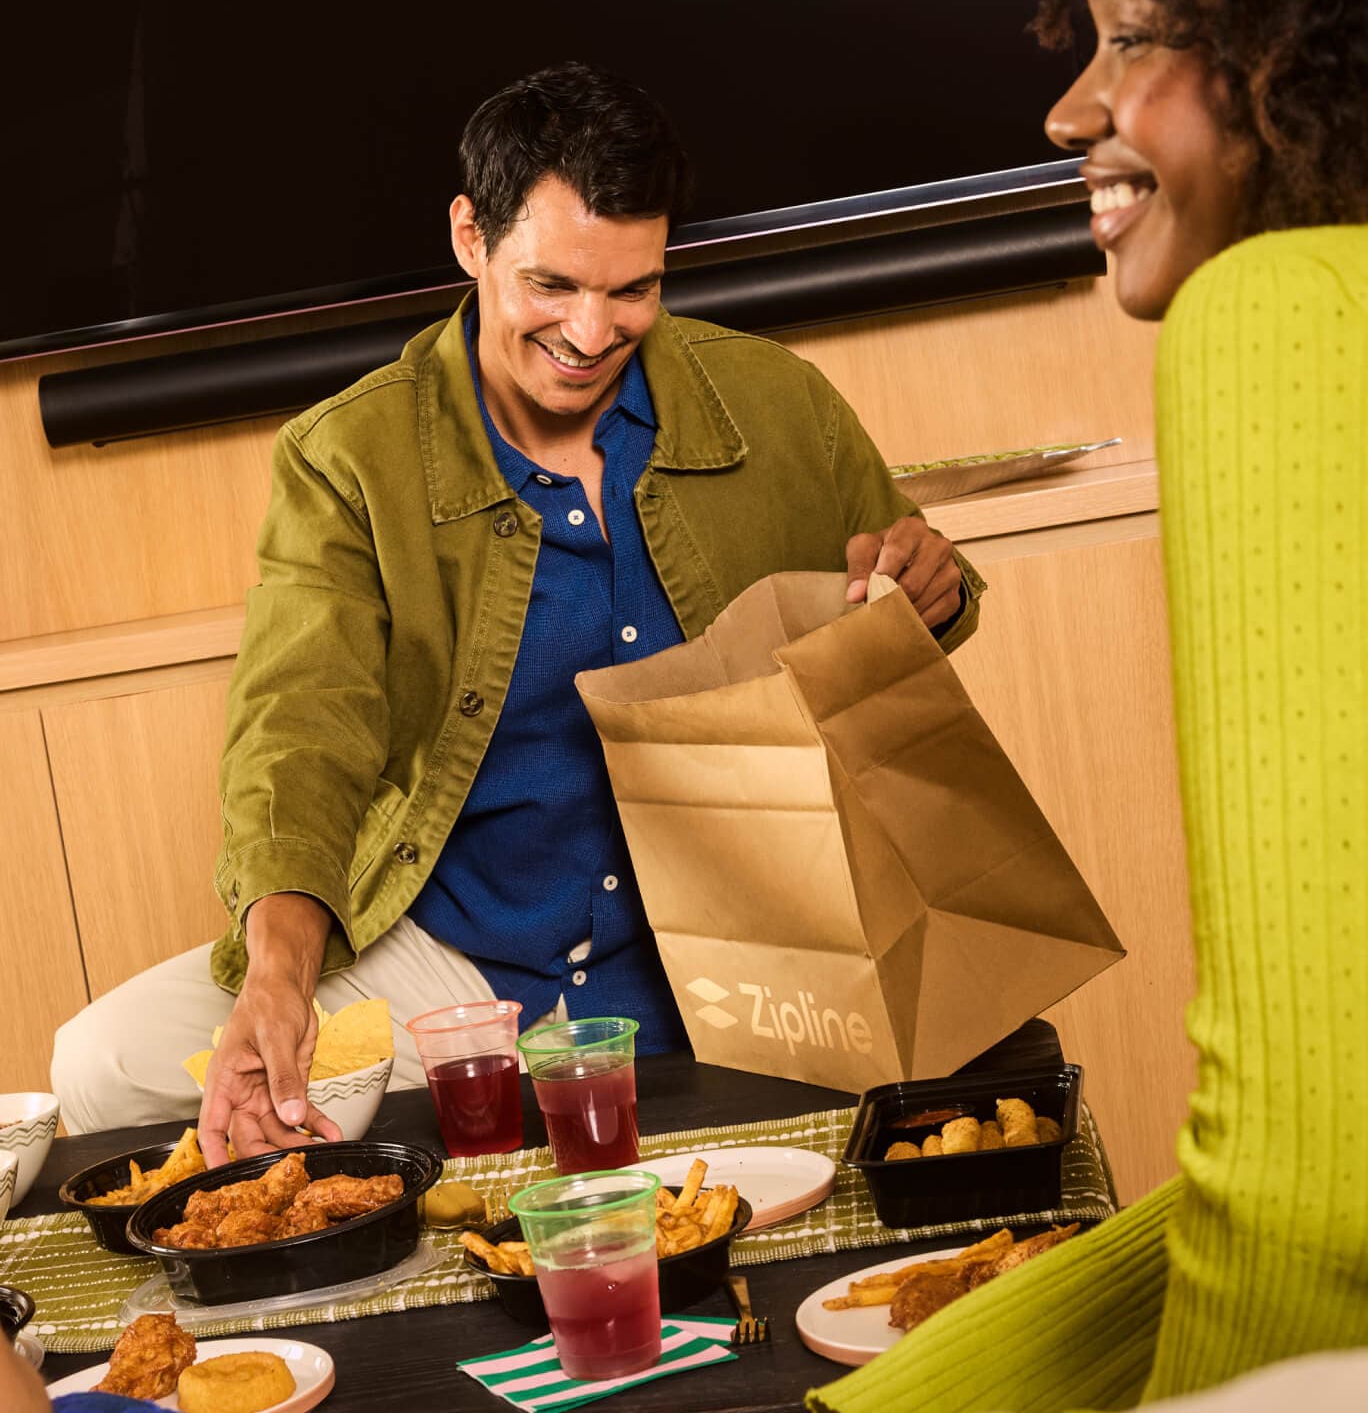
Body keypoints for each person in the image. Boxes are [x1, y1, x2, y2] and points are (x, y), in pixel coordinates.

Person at [51, 61, 984, 1157]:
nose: (590, 332)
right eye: (551, 285)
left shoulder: (777, 402)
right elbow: (297, 733)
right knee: (102, 1061)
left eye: (631, 290)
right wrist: (279, 978)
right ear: (469, 236)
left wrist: (932, 588)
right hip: (460, 976)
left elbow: (914, 586)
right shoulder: (347, 458)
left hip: (743, 953)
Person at [810, 0, 1368, 1410]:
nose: (1070, 109)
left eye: (1134, 39)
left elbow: (1318, 1179)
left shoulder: (1276, 312)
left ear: (1303, 47)